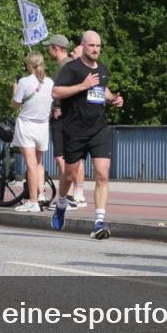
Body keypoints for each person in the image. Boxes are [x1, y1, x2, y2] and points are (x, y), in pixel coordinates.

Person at [49, 31, 123, 239]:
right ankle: (62, 202)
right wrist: (82, 85)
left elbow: (103, 89)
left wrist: (113, 99)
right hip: (75, 130)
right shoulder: (71, 68)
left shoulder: (102, 69)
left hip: (99, 129)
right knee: (70, 175)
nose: (96, 49)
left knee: (102, 173)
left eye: (98, 46)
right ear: (83, 46)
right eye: (91, 46)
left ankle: (99, 221)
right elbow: (56, 93)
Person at [11, 52, 54, 213]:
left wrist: (14, 90)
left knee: (30, 164)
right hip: (43, 126)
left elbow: (15, 104)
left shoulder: (24, 82)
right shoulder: (50, 82)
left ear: (29, 65)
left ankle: (33, 200)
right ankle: (41, 195)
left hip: (27, 125)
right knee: (38, 163)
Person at [46, 34, 87, 208]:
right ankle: (77, 194)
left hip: (64, 117)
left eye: (49, 47)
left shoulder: (66, 67)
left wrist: (60, 107)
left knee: (62, 157)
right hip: (72, 116)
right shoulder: (70, 65)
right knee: (75, 157)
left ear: (55, 48)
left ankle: (68, 196)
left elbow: (72, 91)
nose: (48, 50)